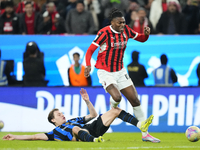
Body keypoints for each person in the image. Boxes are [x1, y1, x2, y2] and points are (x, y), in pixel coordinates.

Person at [84, 8, 160, 142]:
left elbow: (141, 39)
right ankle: (113, 107)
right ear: (112, 23)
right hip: (105, 71)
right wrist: (88, 65)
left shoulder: (126, 30)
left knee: (135, 100)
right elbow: (90, 50)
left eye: (123, 22)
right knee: (117, 97)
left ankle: (145, 134)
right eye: (119, 23)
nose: (122, 25)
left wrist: (146, 35)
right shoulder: (104, 33)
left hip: (120, 71)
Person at [3, 88, 154, 142]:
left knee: (115, 110)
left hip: (92, 127)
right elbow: (34, 137)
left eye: (61, 113)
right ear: (53, 120)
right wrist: (15, 136)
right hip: (82, 136)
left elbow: (93, 114)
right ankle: (95, 141)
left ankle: (141, 125)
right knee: (75, 129)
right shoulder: (53, 133)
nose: (62, 115)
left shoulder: (73, 120)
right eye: (59, 114)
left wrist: (88, 101)